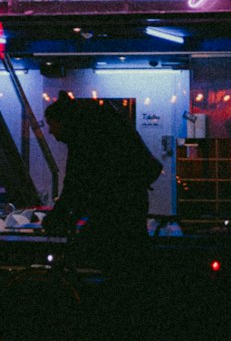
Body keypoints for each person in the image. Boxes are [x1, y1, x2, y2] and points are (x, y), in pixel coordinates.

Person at [41, 92, 161, 274]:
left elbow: (76, 182)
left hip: (118, 203)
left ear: (62, 121)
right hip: (130, 196)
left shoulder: (83, 135)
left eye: (51, 125)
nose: (50, 131)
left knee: (100, 248)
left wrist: (60, 216)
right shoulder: (95, 126)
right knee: (129, 253)